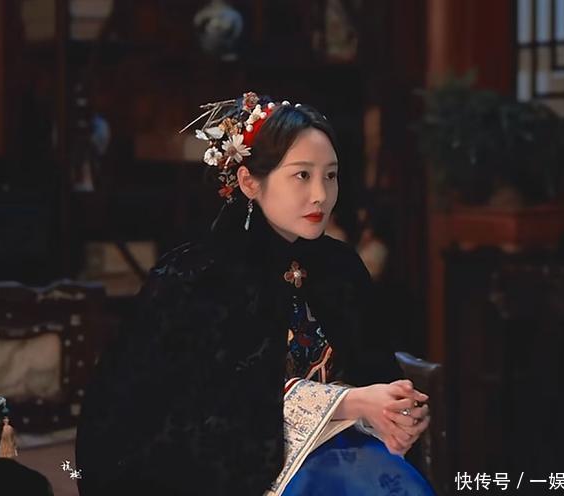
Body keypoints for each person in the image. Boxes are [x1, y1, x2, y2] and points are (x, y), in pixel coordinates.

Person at [75, 92, 435, 495]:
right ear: (249, 182)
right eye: (302, 175)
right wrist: (352, 402)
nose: (320, 194)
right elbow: (201, 413)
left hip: (345, 448)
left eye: (331, 175)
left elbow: (375, 372)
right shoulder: (199, 275)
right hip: (236, 475)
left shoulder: (340, 267)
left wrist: (396, 414)